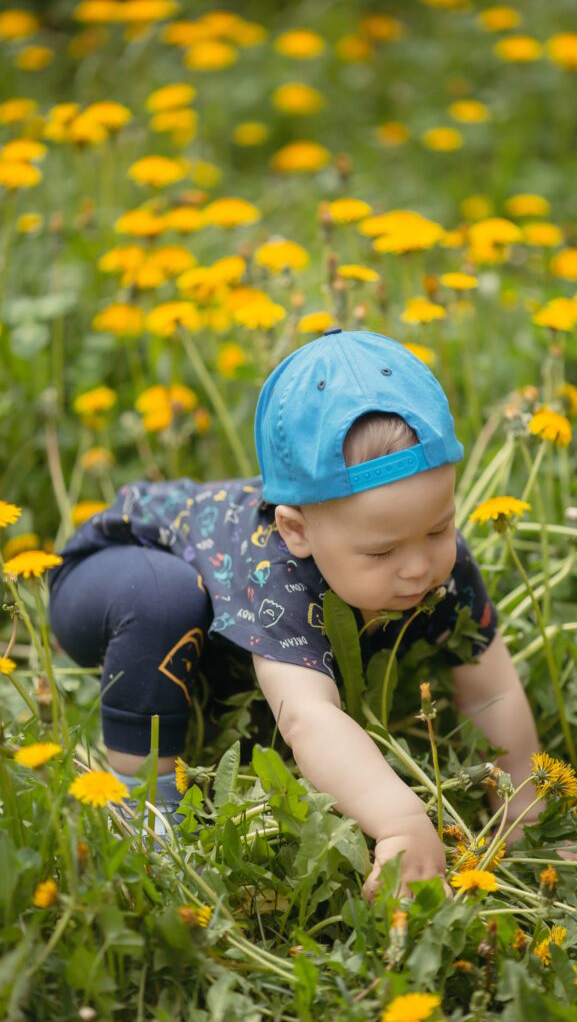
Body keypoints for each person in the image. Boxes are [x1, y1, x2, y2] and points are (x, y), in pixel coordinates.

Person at [49, 328, 543, 898]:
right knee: (165, 601)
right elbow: (308, 717)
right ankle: (142, 798)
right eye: (381, 551)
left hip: (206, 604)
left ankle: (211, 671)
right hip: (113, 574)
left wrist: (525, 808)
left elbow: (488, 690)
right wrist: (400, 820)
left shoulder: (438, 560)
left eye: (438, 528)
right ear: (297, 531)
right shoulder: (278, 572)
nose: (418, 568)